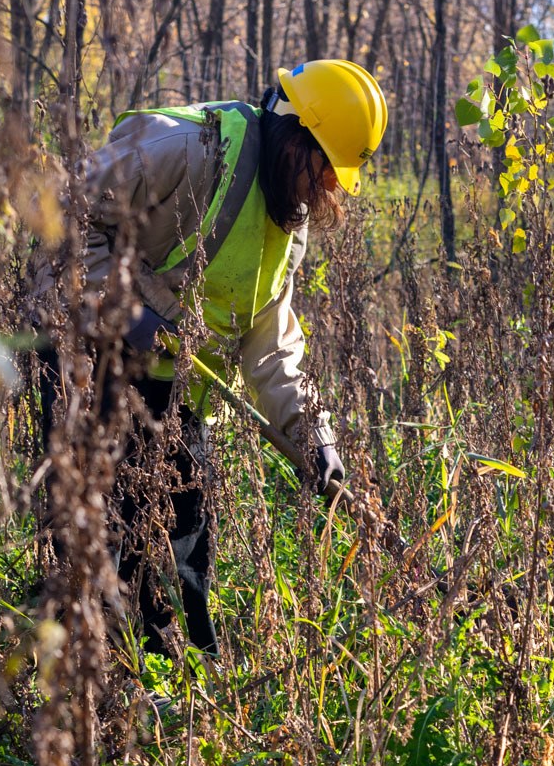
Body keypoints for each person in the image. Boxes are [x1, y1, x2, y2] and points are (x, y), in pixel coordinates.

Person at [54, 58, 388, 656]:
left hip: (176, 385)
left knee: (185, 532)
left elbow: (272, 346)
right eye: (326, 170)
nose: (329, 189)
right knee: (107, 533)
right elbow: (67, 214)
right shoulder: (189, 148)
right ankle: (102, 689)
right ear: (294, 138)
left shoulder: (289, 223)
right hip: (94, 354)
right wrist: (124, 312)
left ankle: (187, 685)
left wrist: (317, 443)